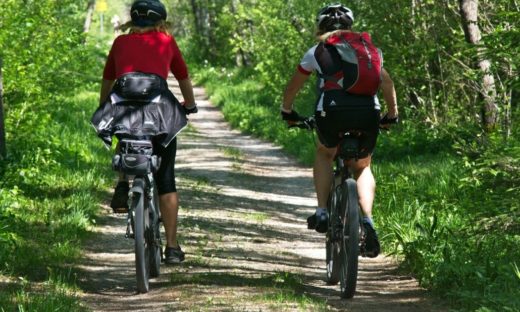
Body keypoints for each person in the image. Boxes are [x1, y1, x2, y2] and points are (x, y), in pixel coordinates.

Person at [281, 3, 398, 257]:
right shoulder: (369, 50)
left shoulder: (317, 51)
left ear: (320, 27)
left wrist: (287, 111)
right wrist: (392, 114)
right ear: (350, 26)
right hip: (368, 113)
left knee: (325, 153)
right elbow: (386, 82)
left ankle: (322, 211)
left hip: (331, 113)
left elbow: (293, 87)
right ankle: (367, 221)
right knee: (363, 166)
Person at [99, 0, 197, 264]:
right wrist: (190, 105)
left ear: (132, 21)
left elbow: (108, 80)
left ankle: (122, 181)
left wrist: (103, 106)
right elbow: (183, 77)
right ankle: (173, 247)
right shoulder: (166, 41)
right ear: (160, 22)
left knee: (122, 130)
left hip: (124, 109)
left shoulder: (120, 43)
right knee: (166, 178)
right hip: (159, 113)